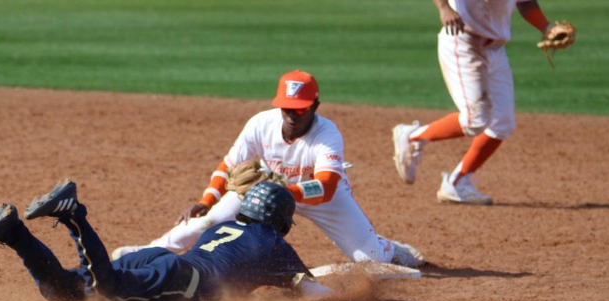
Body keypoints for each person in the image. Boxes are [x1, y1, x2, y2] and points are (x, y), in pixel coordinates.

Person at [111, 70, 425, 268]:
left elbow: (327, 185)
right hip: (265, 194)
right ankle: (145, 253)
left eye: (300, 109)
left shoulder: (327, 134)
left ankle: (388, 247)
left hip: (320, 198)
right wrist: (208, 199)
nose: (292, 115)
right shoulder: (261, 124)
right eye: (287, 108)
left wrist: (280, 192)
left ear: (315, 106)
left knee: (372, 261)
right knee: (206, 220)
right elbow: (229, 165)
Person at [0, 179, 332, 301]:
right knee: (107, 287)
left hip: (164, 260)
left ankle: (13, 233)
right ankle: (73, 215)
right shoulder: (273, 244)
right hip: (183, 282)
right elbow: (315, 293)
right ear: (281, 221)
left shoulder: (225, 226)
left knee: (67, 292)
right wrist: (358, 293)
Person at [391, 0, 566, 205]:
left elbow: (526, 3)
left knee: (502, 124)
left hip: (495, 50)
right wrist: (444, 8)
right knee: (475, 120)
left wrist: (546, 26)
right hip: (463, 42)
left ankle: (457, 182)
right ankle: (411, 136)